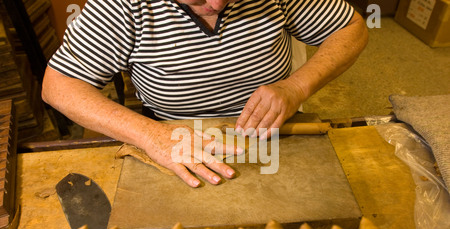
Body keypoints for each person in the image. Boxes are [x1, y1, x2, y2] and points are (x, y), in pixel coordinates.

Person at [42, 0, 368, 188]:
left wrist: (295, 87)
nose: (216, 5)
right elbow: (59, 86)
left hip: (278, 130)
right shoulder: (120, 7)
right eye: (199, 0)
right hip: (174, 135)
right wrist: (150, 134)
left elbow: (350, 27)